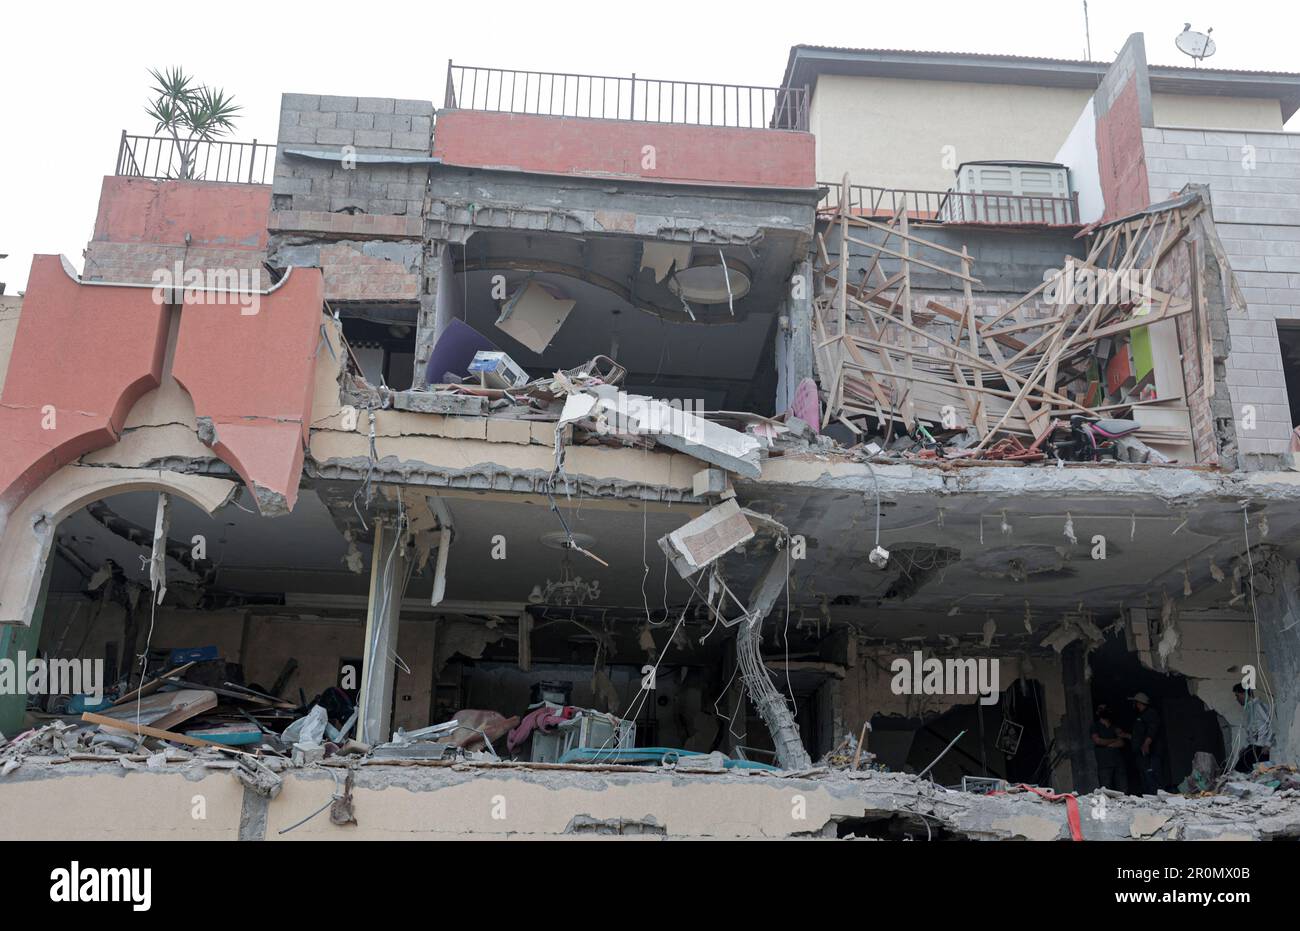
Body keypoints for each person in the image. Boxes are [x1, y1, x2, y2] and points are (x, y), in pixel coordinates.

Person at [1118, 692, 1162, 794]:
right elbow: (1138, 736)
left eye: (1136, 702)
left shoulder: (1150, 713)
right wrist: (1125, 735)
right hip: (1141, 753)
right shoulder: (1140, 716)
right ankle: (1149, 796)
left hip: (1150, 752)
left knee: (1152, 774)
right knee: (1145, 775)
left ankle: (1157, 796)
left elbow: (1152, 730)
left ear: (1139, 703)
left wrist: (1146, 744)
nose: (1135, 705)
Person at [1232, 683, 1273, 773]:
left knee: (1240, 771)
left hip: (1261, 748)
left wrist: (1268, 744)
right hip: (1253, 747)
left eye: (1237, 696)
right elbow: (1252, 732)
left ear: (1244, 694)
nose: (1237, 699)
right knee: (1249, 773)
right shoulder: (1250, 708)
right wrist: (1245, 747)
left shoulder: (1258, 706)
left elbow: (1270, 723)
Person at [1090, 703, 1128, 793]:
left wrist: (1105, 743)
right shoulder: (1095, 726)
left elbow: (1122, 742)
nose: (1104, 710)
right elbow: (1097, 741)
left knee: (1123, 789)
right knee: (1106, 790)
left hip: (1118, 762)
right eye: (1101, 709)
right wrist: (1114, 740)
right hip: (1104, 763)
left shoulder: (1115, 727)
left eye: (1105, 708)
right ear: (1097, 712)